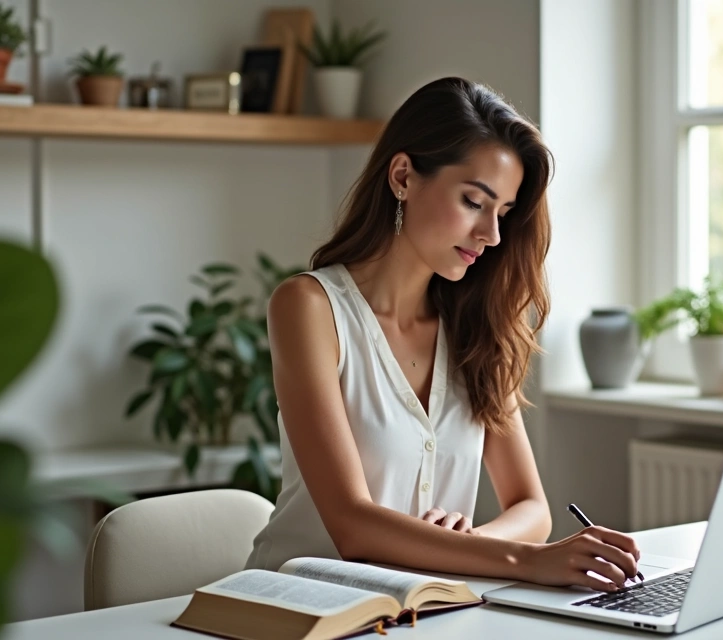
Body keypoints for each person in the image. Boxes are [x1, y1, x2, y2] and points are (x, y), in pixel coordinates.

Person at [245, 77, 639, 592]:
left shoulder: (477, 327)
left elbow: (531, 506)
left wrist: (470, 543)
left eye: (503, 213)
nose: (492, 235)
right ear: (404, 176)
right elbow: (352, 524)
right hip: (296, 607)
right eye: (475, 202)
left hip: (424, 613)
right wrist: (522, 561)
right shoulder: (310, 308)